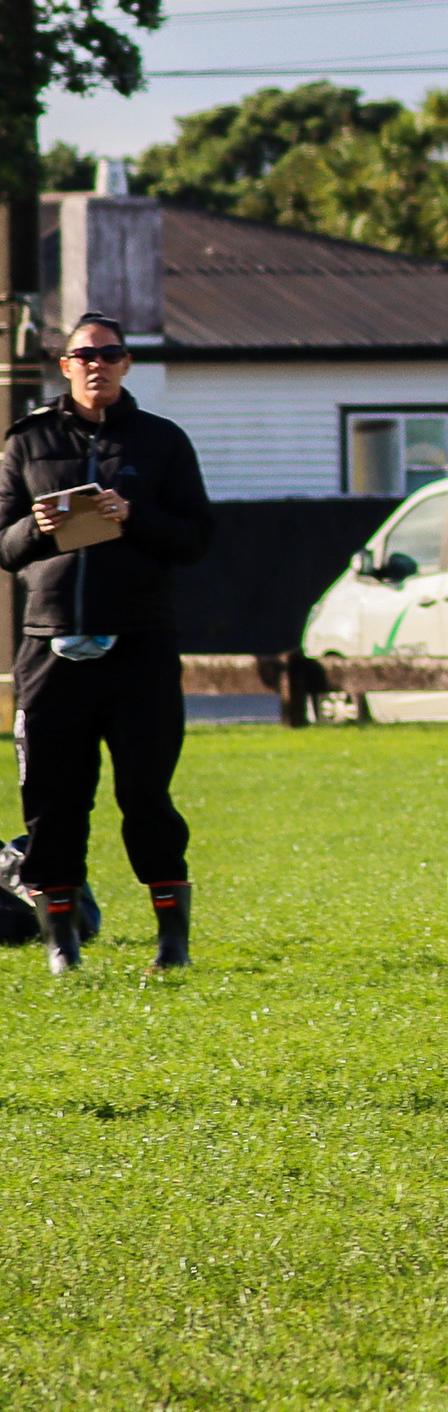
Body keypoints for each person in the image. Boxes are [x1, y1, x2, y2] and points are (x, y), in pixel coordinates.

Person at [1, 312, 213, 974]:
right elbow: (3, 545)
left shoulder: (161, 441)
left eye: (111, 354)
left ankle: (171, 941)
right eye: (85, 356)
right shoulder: (28, 441)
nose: (98, 365)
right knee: (54, 803)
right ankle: (61, 943)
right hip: (50, 645)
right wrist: (37, 527)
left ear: (126, 364)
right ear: (65, 365)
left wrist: (133, 515)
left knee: (145, 797)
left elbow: (195, 538)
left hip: (140, 643)